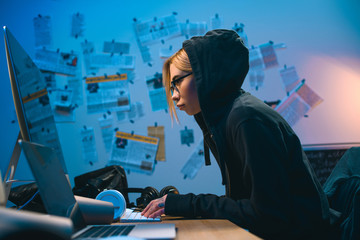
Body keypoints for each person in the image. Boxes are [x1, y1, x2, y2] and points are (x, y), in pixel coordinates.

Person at [141, 29, 339, 240]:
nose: (173, 95)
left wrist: (184, 203)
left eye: (178, 81)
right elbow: (253, 207)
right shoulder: (229, 116)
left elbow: (268, 215)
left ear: (204, 74)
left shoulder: (246, 117)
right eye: (171, 86)